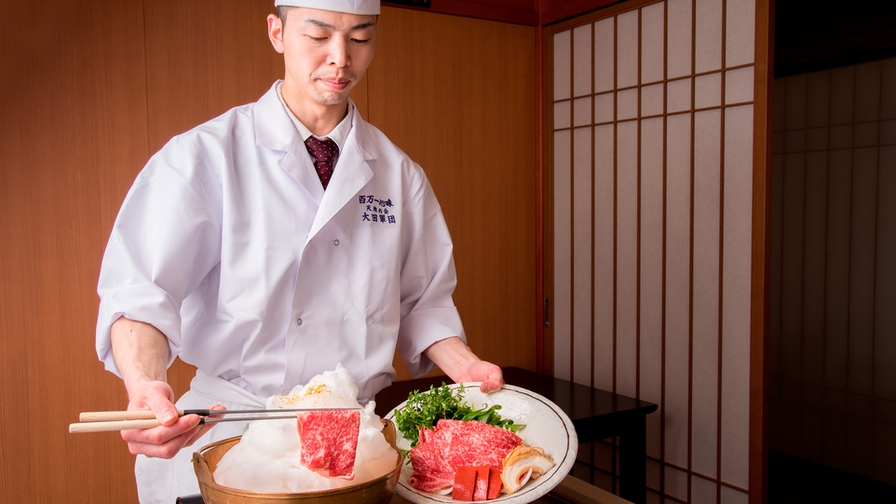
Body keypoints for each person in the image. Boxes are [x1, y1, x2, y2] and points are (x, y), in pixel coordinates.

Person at [94, 0, 504, 502]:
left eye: (359, 38)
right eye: (319, 35)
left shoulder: (399, 174)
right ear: (277, 32)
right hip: (230, 433)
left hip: (356, 447)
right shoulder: (204, 156)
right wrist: (143, 386)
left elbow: (425, 303)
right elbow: (141, 293)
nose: (341, 58)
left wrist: (467, 367)